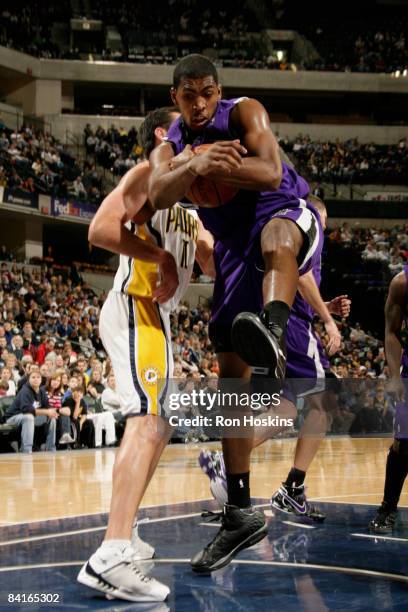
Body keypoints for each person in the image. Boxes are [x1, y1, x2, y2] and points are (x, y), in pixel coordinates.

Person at [148, 54, 323, 573]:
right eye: (187, 94)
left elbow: (270, 171)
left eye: (206, 92)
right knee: (231, 377)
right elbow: (159, 191)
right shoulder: (171, 144)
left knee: (277, 238)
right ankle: (240, 512)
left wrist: (208, 166)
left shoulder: (245, 111)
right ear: (175, 97)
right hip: (231, 246)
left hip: (284, 211)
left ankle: (270, 327)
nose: (198, 103)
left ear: (218, 91)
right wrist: (197, 162)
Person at [77, 107, 214, 602]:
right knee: (148, 421)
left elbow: (211, 255)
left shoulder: (184, 200)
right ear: (162, 132)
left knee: (158, 426)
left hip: (159, 319)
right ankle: (111, 552)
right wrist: (160, 258)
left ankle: (126, 532)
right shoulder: (145, 175)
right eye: (183, 119)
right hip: (135, 307)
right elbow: (99, 229)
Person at [199, 199, 351, 521]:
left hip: (281, 318)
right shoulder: (305, 222)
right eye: (324, 222)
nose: (323, 229)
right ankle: (291, 488)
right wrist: (327, 318)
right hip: (293, 325)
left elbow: (290, 277)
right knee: (326, 400)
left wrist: (324, 305)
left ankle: (232, 463)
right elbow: (301, 273)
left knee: (286, 408)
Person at [369, 268, 408, 532]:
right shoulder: (402, 282)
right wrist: (394, 375)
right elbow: (391, 331)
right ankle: (388, 507)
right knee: (403, 444)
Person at [5, 370, 58, 453]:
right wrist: (46, 412)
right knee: (29, 417)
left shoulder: (41, 391)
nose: (36, 379)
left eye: (38, 377)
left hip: (30, 416)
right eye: (33, 377)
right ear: (28, 379)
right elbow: (26, 409)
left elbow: (47, 405)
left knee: (52, 418)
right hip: (12, 417)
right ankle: (26, 449)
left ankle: (51, 448)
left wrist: (52, 411)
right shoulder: (25, 390)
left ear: (41, 380)